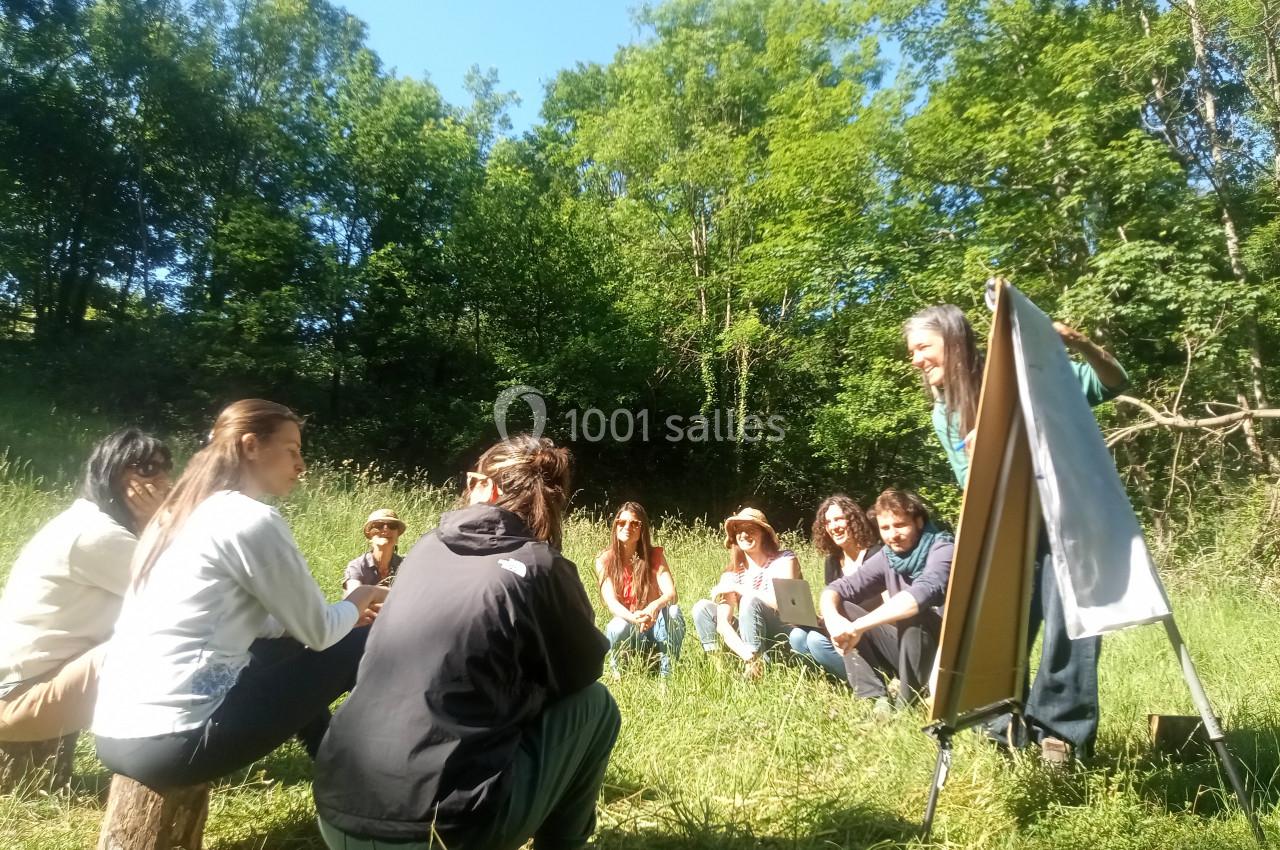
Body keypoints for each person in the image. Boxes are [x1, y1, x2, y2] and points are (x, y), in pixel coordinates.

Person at [313, 435, 619, 850]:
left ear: (485, 488)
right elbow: (583, 672)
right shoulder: (540, 565)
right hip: (441, 832)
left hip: (336, 813)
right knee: (596, 706)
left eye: (473, 478)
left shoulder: (423, 548)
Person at [92, 399, 386, 788]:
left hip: (115, 730)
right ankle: (377, 771)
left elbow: (257, 623)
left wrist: (331, 620)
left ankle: (333, 760)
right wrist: (361, 596)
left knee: (288, 645)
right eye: (292, 451)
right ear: (250, 446)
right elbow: (319, 631)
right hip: (173, 742)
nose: (301, 465)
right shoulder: (250, 520)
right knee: (371, 640)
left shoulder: (178, 515)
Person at [905, 299, 1127, 763]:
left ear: (954, 340)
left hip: (1069, 524)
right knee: (1000, 623)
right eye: (912, 351)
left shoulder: (1026, 378)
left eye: (923, 347)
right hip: (1008, 531)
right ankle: (1002, 726)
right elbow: (973, 486)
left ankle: (1059, 737)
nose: (916, 359)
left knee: (1071, 625)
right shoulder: (944, 413)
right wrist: (983, 459)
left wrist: (1082, 345)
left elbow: (1114, 382)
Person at [0, 429, 172, 746]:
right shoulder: (96, 534)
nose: (163, 480)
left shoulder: (92, 523)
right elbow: (186, 593)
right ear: (111, 475)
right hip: (17, 701)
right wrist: (157, 523)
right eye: (146, 469)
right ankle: (166, 755)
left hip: (30, 689)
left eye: (165, 467)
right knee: (161, 642)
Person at [821, 490, 954, 709]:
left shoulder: (943, 549)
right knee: (843, 606)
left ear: (919, 522)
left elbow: (919, 596)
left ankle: (906, 705)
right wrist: (834, 620)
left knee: (915, 615)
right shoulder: (889, 556)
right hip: (905, 649)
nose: (892, 535)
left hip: (944, 655)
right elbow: (838, 588)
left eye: (900, 525)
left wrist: (857, 627)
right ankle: (874, 699)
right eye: (885, 528)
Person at [692, 508, 800, 678]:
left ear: (764, 534)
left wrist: (740, 589)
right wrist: (748, 657)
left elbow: (787, 605)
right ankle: (723, 673)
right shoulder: (731, 574)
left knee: (750, 599)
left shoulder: (785, 560)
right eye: (739, 531)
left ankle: (759, 667)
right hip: (750, 644)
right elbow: (723, 624)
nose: (743, 535)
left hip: (785, 635)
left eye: (751, 530)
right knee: (702, 608)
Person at [787, 495, 882, 680]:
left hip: (872, 633)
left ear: (853, 519)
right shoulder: (832, 563)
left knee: (816, 641)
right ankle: (827, 681)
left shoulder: (876, 556)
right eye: (828, 522)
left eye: (838, 519)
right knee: (798, 636)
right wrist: (818, 619)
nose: (833, 527)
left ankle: (872, 679)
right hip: (842, 632)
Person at [595, 501, 684, 676]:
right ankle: (619, 673)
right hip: (630, 627)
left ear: (642, 529)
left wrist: (653, 607)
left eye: (635, 523)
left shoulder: (655, 556)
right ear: (615, 526)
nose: (627, 527)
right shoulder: (604, 560)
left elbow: (671, 594)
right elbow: (611, 602)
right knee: (617, 626)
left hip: (655, 628)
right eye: (622, 522)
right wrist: (634, 618)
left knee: (673, 612)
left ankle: (667, 675)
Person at [342, 509, 406, 590]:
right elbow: (354, 598)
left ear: (397, 535)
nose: (386, 529)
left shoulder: (405, 566)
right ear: (370, 535)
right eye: (379, 525)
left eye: (392, 525)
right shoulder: (358, 566)